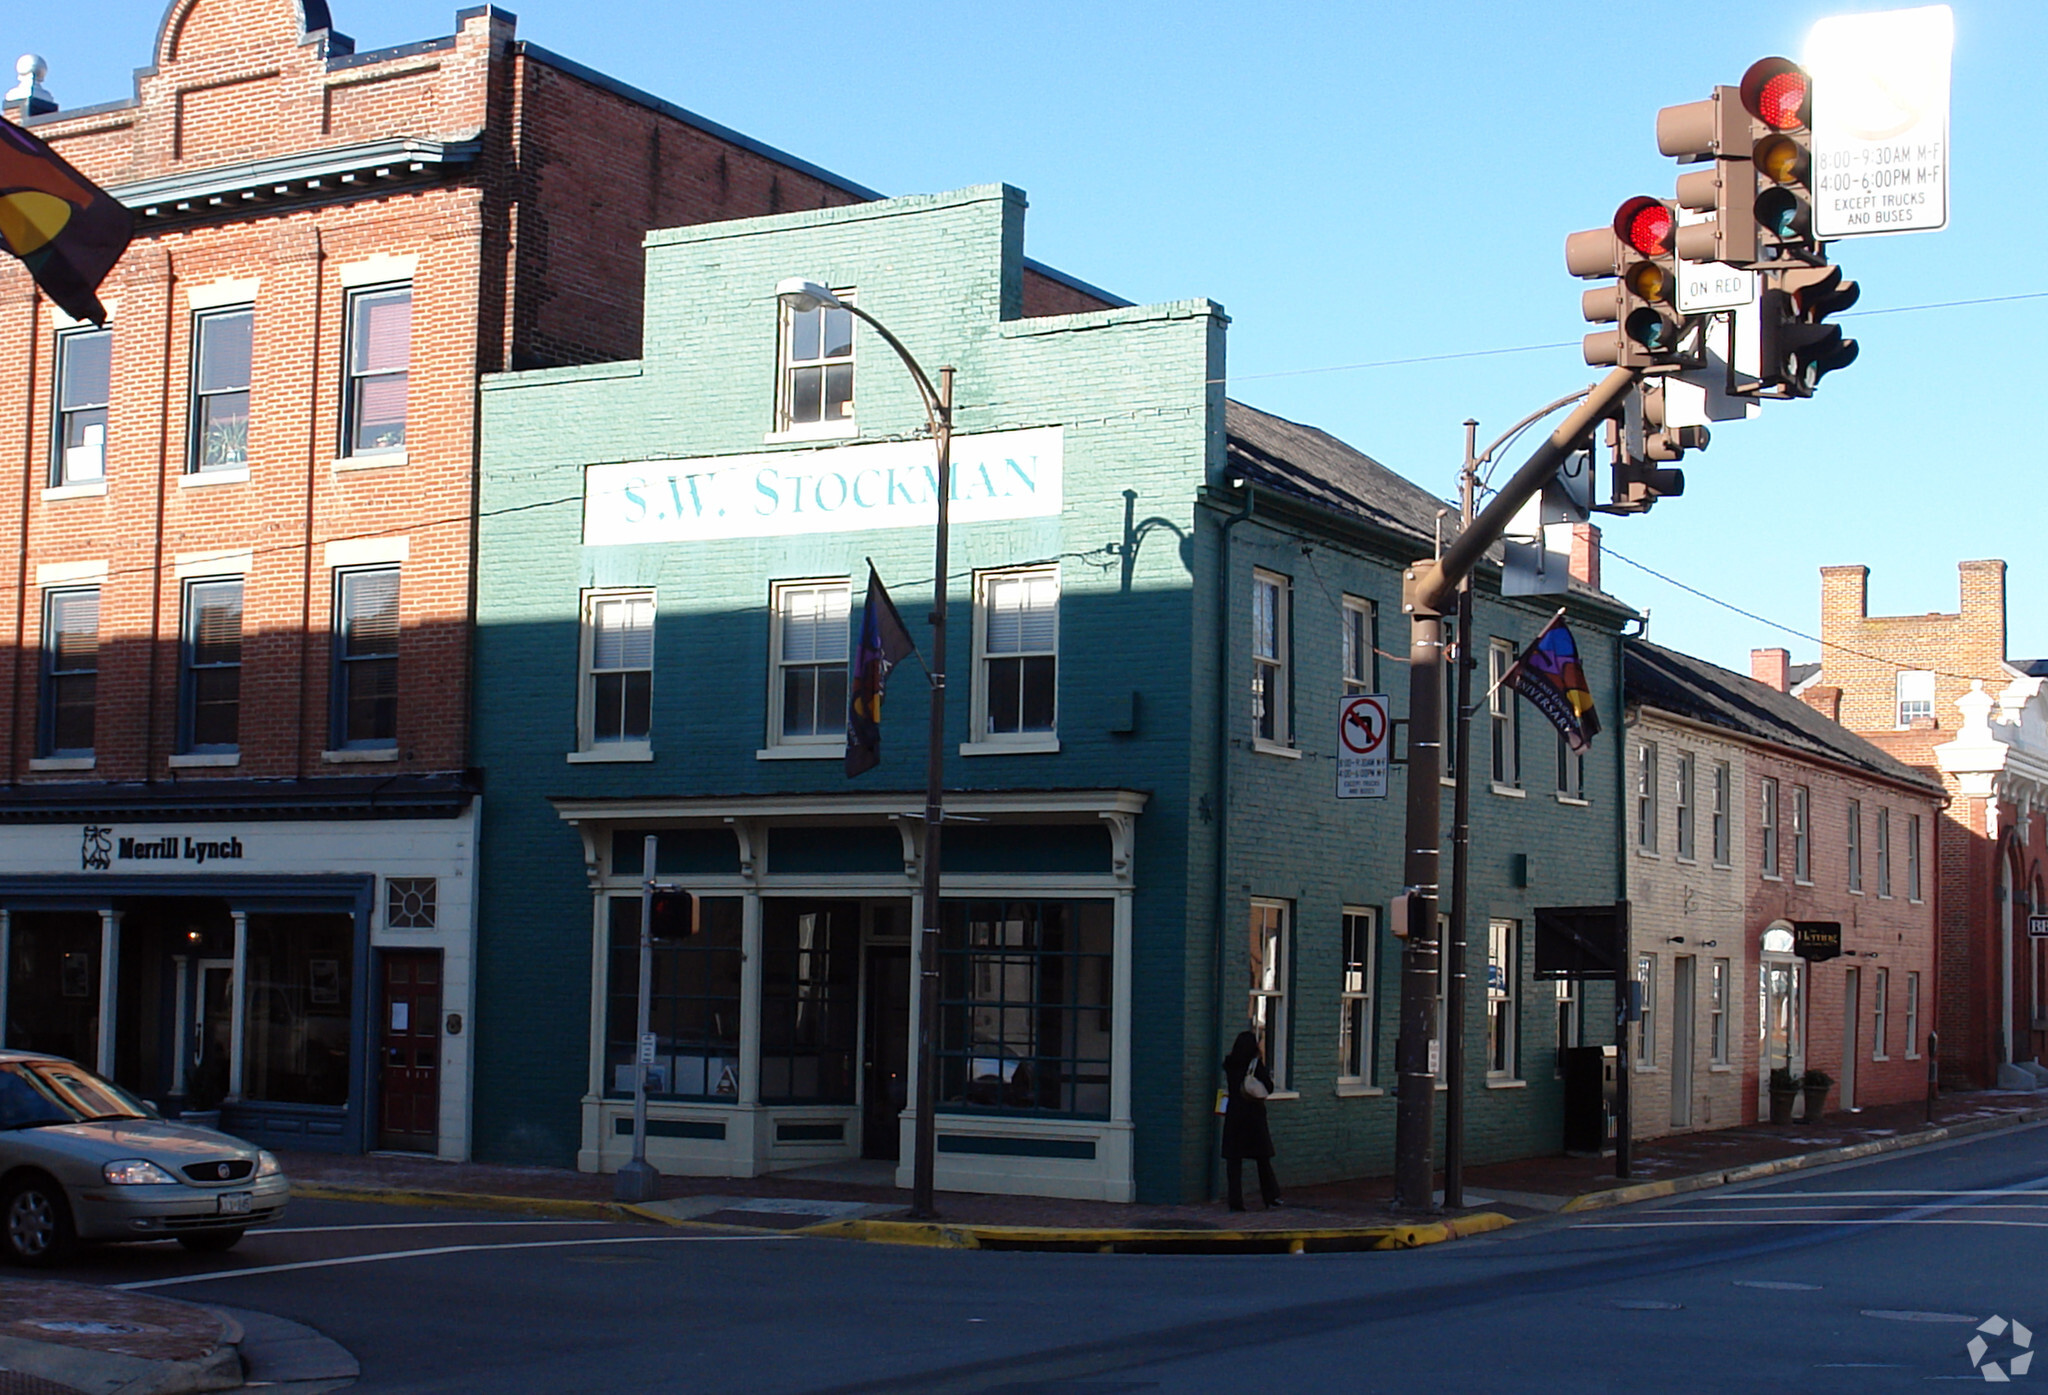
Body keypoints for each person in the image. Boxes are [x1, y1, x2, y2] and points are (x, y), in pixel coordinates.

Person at [1221, 1030, 1282, 1211]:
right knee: (1263, 1159)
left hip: (1234, 1117)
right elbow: (1268, 1088)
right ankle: (1270, 1197)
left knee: (1234, 1161)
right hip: (1253, 1118)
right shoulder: (1255, 1065)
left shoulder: (1230, 1065)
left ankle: (1235, 1202)